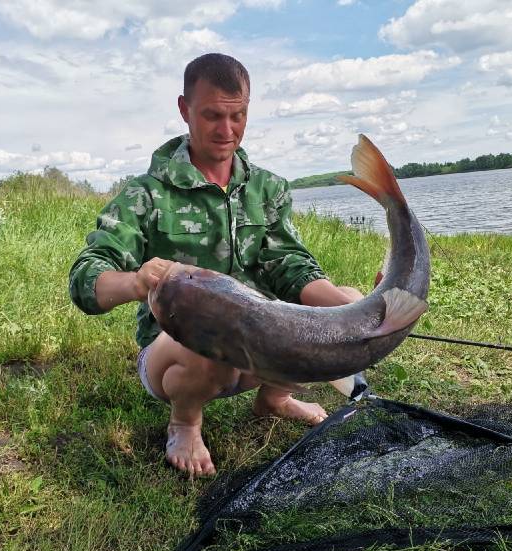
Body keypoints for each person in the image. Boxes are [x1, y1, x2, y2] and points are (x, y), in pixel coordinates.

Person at [69, 53, 362, 476]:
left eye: (238, 115)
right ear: (185, 110)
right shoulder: (146, 194)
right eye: (211, 115)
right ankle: (185, 421)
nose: (227, 131)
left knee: (346, 302)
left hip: (260, 343)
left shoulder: (268, 187)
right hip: (178, 350)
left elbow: (289, 266)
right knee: (213, 339)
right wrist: (136, 282)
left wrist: (346, 308)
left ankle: (273, 400)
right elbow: (86, 277)